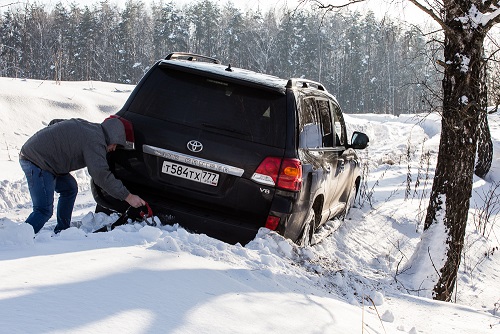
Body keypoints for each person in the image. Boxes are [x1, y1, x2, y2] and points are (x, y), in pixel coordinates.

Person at [19, 117, 145, 234]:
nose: (113, 149)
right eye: (115, 145)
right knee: (43, 210)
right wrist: (128, 196)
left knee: (69, 188)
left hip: (47, 161)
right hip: (35, 161)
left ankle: (62, 231)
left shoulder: (91, 128)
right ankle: (18, 239)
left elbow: (55, 122)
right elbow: (100, 174)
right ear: (112, 137)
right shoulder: (96, 142)